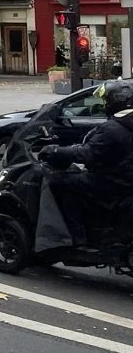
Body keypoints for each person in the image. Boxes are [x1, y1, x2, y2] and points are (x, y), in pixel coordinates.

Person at [40, 80, 133, 246]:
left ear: (115, 101)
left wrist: (55, 150)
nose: (104, 105)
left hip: (110, 182)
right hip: (125, 181)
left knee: (57, 182)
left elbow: (87, 154)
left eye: (106, 101)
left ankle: (77, 239)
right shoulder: (125, 122)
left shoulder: (113, 128)